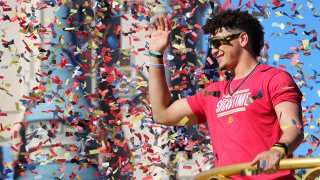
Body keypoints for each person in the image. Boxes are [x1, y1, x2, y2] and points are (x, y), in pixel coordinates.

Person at [147, 9, 304, 179]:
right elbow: (162, 114)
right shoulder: (212, 92)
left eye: (217, 42)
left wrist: (277, 150)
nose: (213, 51)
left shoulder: (274, 78)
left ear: (243, 39)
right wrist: (156, 54)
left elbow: (293, 127)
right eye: (211, 45)